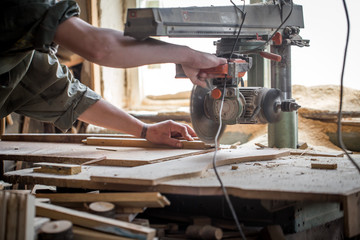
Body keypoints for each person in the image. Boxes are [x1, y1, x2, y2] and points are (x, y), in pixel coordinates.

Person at [0, 0, 227, 148]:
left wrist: (145, 130)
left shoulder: (23, 53)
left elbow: (71, 98)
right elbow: (99, 47)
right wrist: (187, 55)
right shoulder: (27, 7)